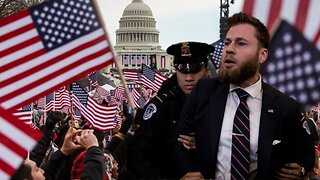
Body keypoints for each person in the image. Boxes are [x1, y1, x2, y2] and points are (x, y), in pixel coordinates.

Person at [176, 12, 315, 180]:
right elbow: (178, 141)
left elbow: (305, 150)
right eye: (227, 42)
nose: (229, 49)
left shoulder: (285, 107)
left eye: (240, 43)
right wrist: (188, 171)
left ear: (262, 55)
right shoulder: (203, 92)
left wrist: (301, 168)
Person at [126, 41, 215, 179]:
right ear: (176, 71)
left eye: (194, 70)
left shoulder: (221, 103)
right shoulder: (161, 107)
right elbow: (137, 156)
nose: (189, 78)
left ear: (206, 70)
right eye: (183, 72)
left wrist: (207, 145)